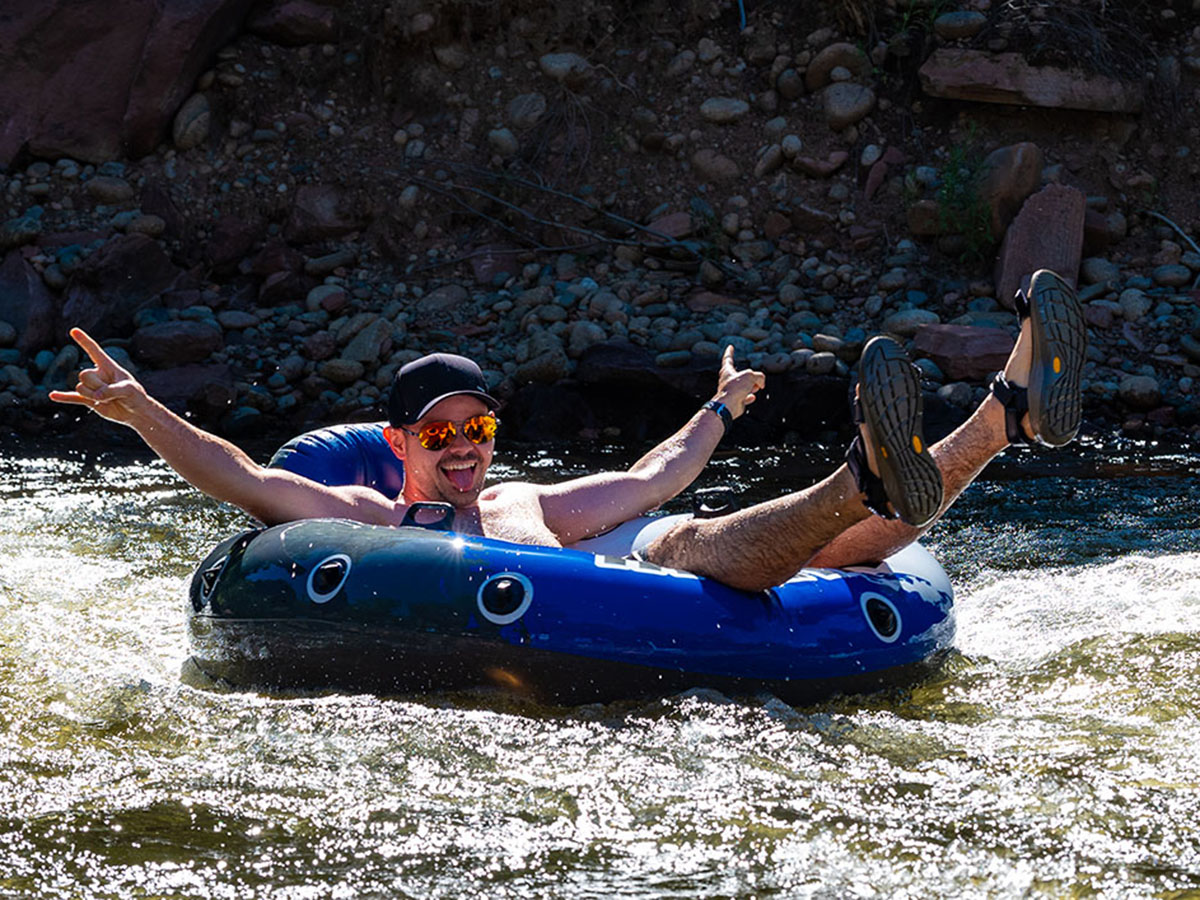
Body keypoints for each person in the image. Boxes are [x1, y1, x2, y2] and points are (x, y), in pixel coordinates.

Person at [50, 268, 1085, 593]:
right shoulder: (362, 512)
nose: (465, 443)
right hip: (529, 614)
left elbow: (653, 473)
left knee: (694, 535)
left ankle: (1003, 410)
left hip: (640, 579)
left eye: (480, 425)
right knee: (776, 541)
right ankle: (875, 471)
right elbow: (237, 475)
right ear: (400, 440)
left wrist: (720, 407)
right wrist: (140, 404)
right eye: (441, 431)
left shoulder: (522, 501)